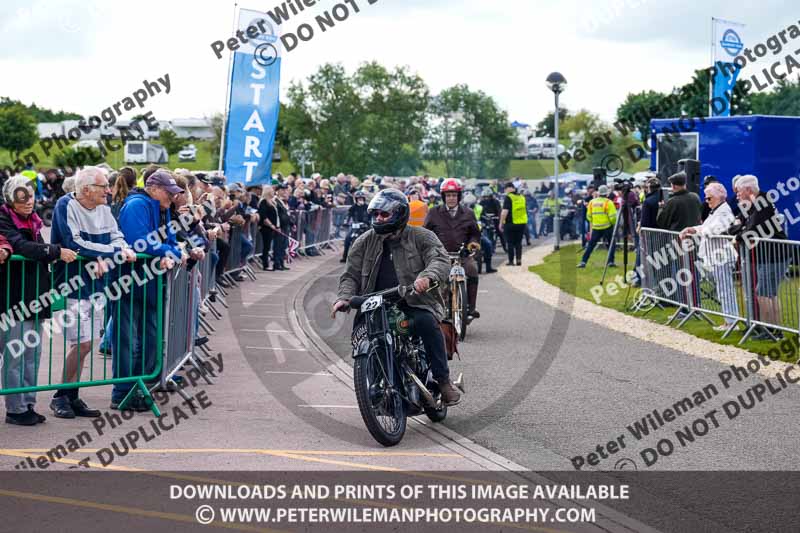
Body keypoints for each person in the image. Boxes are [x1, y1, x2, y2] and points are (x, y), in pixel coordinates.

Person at [331, 189, 460, 405]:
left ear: (399, 214)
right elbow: (350, 275)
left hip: (413, 302)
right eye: (376, 215)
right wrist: (343, 298)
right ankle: (376, 383)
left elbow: (439, 259)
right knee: (360, 335)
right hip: (374, 305)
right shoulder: (364, 242)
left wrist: (427, 277)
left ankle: (443, 381)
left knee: (426, 323)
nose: (378, 219)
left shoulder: (421, 236)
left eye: (384, 214)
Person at [48, 166, 136, 418]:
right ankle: (60, 396)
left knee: (87, 344)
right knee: (82, 343)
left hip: (98, 284)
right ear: (86, 189)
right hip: (73, 284)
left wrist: (102, 254)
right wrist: (104, 253)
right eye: (103, 187)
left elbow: (118, 238)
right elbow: (73, 243)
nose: (109, 191)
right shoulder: (65, 205)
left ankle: (72, 395)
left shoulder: (105, 209)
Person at [0, 176, 77, 425]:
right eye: (22, 196)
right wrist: (55, 251)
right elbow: (21, 247)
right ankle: (15, 408)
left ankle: (28, 404)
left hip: (34, 297)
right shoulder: (3, 219)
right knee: (16, 356)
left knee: (32, 354)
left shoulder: (33, 220)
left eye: (31, 195)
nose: (28, 201)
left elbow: (35, 249)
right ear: (11, 199)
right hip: (14, 298)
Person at [114, 170, 185, 410]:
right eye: (169, 192)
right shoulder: (137, 205)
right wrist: (172, 252)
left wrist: (171, 251)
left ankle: (141, 387)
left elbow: (170, 241)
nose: (172, 197)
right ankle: (123, 392)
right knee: (127, 340)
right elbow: (139, 242)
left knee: (151, 339)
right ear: (153, 188)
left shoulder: (161, 208)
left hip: (152, 284)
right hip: (129, 283)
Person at [728, 174, 789, 339]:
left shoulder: (762, 202)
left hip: (774, 255)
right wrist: (739, 232)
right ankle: (774, 330)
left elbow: (752, 228)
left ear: (748, 189)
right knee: (769, 293)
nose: (737, 195)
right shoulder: (754, 204)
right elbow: (740, 226)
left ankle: (770, 330)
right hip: (769, 255)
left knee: (763, 293)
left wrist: (739, 235)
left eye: (739, 191)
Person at [679, 182, 739, 332]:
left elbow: (714, 229)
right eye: (706, 198)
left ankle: (731, 322)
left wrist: (699, 230)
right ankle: (729, 320)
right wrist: (693, 229)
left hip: (722, 256)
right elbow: (706, 227)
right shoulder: (716, 211)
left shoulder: (724, 212)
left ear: (719, 197)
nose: (707, 201)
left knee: (725, 290)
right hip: (715, 256)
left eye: (709, 198)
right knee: (722, 289)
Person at [423, 178, 482, 321]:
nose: (451, 198)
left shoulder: (468, 213)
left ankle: (471, 308)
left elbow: (475, 233)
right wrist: (429, 250)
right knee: (438, 281)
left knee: (473, 270)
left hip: (462, 255)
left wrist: (472, 244)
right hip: (440, 256)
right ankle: (437, 309)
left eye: (454, 195)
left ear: (459, 196)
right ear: (443, 197)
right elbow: (425, 234)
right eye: (448, 195)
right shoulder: (433, 213)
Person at [578, 185, 617, 268]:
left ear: (599, 193)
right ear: (607, 193)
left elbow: (588, 216)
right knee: (611, 244)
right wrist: (612, 223)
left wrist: (594, 222)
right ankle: (610, 262)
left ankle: (583, 262)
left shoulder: (592, 202)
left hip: (596, 228)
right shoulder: (608, 202)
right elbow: (613, 217)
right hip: (607, 227)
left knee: (591, 245)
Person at [499, 182, 528, 266]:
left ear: (508, 188)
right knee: (518, 243)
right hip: (521, 223)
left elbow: (504, 212)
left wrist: (501, 223)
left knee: (510, 242)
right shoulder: (522, 197)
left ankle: (511, 261)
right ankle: (519, 260)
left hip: (510, 223)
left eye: (505, 189)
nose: (505, 191)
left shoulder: (508, 197)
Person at [341, 190, 370, 262]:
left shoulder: (367, 207)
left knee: (370, 239)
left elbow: (372, 216)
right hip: (355, 225)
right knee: (347, 238)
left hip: (365, 226)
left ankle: (369, 257)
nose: (360, 200)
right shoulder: (353, 207)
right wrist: (345, 222)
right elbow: (348, 215)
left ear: (364, 199)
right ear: (356, 199)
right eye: (359, 198)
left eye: (361, 198)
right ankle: (344, 256)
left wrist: (369, 223)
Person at [257, 186, 278, 271]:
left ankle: (267, 263)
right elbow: (264, 216)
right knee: (266, 246)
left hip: (271, 227)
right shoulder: (263, 202)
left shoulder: (271, 202)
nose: (274, 192)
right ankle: (265, 265)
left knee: (268, 246)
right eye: (272, 191)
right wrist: (271, 225)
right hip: (266, 228)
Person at [272, 183, 292, 271]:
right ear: (278, 191)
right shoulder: (276, 200)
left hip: (285, 226)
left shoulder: (283, 201)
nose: (284, 192)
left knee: (283, 245)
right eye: (282, 190)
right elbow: (279, 214)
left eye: (285, 190)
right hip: (280, 226)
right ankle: (277, 263)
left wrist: (291, 223)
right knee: (278, 245)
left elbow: (286, 214)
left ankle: (281, 262)